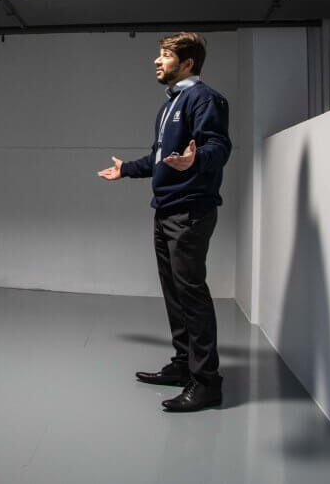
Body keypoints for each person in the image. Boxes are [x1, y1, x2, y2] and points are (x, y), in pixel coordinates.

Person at [98, 32, 231, 411]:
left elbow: (218, 146)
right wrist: (127, 169)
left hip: (190, 211)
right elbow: (160, 158)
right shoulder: (170, 105)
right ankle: (183, 364)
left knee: (192, 295)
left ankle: (207, 383)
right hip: (167, 209)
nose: (157, 61)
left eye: (166, 55)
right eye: (159, 55)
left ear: (187, 63)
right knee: (175, 294)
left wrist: (196, 160)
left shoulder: (204, 99)